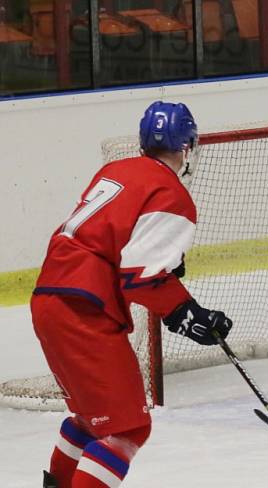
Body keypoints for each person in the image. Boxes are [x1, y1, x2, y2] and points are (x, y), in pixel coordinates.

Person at [32, 101, 233, 487]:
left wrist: (169, 279)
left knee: (91, 419)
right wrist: (188, 314)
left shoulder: (116, 169)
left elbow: (116, 239)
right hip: (84, 308)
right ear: (187, 147)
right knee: (128, 429)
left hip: (51, 296)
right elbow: (140, 276)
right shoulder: (171, 193)